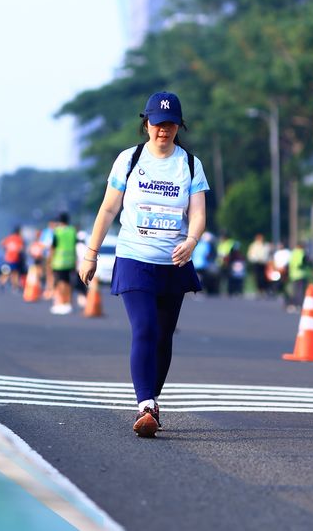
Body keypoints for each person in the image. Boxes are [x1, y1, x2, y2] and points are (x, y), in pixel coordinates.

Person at [79, 91, 209, 438]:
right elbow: (109, 208)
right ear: (146, 123)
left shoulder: (190, 165)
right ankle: (145, 404)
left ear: (179, 126)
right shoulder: (129, 159)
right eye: (157, 123)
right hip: (134, 258)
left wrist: (191, 241)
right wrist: (91, 253)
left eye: (170, 124)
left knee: (164, 336)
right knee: (146, 328)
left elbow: (198, 214)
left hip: (174, 263)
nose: (163, 130)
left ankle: (152, 399)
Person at [50, 213, 77, 315]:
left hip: (58, 262)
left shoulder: (57, 231)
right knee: (68, 282)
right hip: (70, 261)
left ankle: (61, 302)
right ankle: (68, 302)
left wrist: (50, 260)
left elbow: (53, 247)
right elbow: (74, 246)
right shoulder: (72, 231)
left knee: (60, 282)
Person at [0, 226, 24, 291]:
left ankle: (1, 282)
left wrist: (6, 249)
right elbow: (21, 248)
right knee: (14, 272)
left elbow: (1, 243)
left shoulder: (9, 237)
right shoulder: (19, 239)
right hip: (15, 258)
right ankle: (15, 285)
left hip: (7, 258)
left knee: (6, 272)